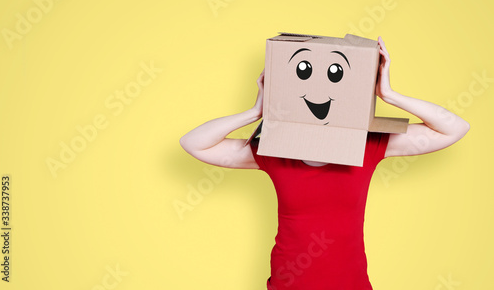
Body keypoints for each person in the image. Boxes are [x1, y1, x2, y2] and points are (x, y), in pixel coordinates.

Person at [179, 37, 470, 290]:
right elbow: (193, 143)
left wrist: (389, 95)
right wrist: (255, 112)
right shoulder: (274, 149)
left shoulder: (367, 144)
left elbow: (454, 128)